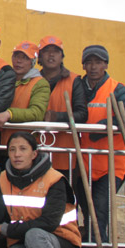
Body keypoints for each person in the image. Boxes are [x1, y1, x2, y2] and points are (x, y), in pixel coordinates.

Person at [0, 132, 79, 248]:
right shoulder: (2, 178)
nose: (17, 154)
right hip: (24, 241)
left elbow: (49, 223)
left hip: (61, 242)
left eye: (23, 149)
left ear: (34, 154)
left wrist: (7, 229)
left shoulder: (54, 180)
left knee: (35, 234)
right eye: (12, 150)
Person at [75, 44, 125, 248]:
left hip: (112, 164)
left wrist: (101, 127)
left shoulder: (117, 88)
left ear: (105, 64)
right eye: (89, 62)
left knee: (100, 207)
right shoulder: (79, 87)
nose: (93, 67)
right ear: (83, 65)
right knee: (88, 208)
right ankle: (93, 247)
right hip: (84, 163)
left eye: (98, 62)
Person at [37, 36, 86, 179]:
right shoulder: (32, 79)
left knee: (65, 197)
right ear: (40, 56)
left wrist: (57, 117)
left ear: (62, 56)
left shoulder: (75, 80)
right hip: (36, 152)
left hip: (66, 153)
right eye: (46, 51)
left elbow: (82, 114)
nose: (51, 55)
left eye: (56, 52)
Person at [0, 41, 49, 155]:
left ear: (33, 62)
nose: (19, 61)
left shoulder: (40, 84)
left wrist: (9, 114)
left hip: (23, 147)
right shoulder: (3, 77)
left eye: (25, 58)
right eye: (16, 56)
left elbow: (37, 113)